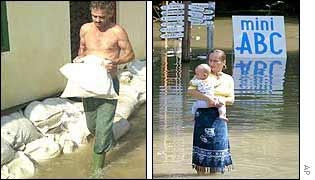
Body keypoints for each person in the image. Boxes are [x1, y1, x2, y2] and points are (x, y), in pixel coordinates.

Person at [73, 1, 135, 173]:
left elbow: (130, 54)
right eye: (94, 16)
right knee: (92, 125)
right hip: (89, 82)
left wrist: (116, 61)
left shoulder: (117, 31)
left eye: (101, 17)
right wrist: (79, 59)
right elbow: (82, 50)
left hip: (108, 84)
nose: (97, 20)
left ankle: (97, 171)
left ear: (110, 14)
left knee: (102, 129)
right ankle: (111, 141)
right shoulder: (85, 28)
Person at [187, 49, 234, 175]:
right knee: (201, 150)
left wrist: (221, 100)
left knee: (218, 151)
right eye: (210, 60)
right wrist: (208, 99)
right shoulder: (203, 73)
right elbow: (191, 91)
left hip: (219, 116)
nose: (212, 63)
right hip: (203, 115)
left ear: (223, 63)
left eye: (215, 61)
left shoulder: (228, 79)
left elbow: (231, 99)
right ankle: (200, 175)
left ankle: (215, 175)